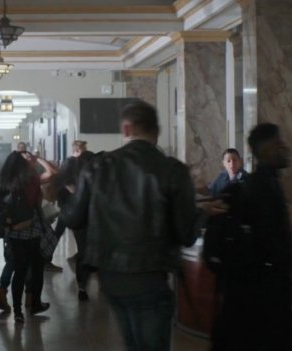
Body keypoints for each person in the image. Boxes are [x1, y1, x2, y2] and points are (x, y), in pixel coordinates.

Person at [60, 101, 210, 351]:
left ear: (127, 130)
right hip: (150, 273)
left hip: (110, 275)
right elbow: (186, 234)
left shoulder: (98, 166)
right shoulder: (172, 170)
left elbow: (72, 217)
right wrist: (201, 214)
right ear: (156, 132)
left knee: (132, 340)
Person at [209, 123, 292, 351]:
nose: (284, 148)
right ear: (264, 150)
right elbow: (270, 239)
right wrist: (289, 264)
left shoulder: (263, 185)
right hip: (261, 297)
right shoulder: (262, 189)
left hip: (249, 296)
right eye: (278, 144)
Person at [0, 151, 52, 323]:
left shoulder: (5, 183)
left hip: (13, 231)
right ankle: (34, 302)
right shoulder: (32, 179)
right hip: (31, 228)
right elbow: (38, 201)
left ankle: (18, 312)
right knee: (36, 268)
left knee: (18, 270)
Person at [55, 140, 96, 301]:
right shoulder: (71, 164)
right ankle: (82, 284)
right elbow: (63, 183)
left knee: (84, 248)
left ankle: (82, 284)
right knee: (82, 246)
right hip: (75, 212)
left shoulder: (84, 165)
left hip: (76, 213)